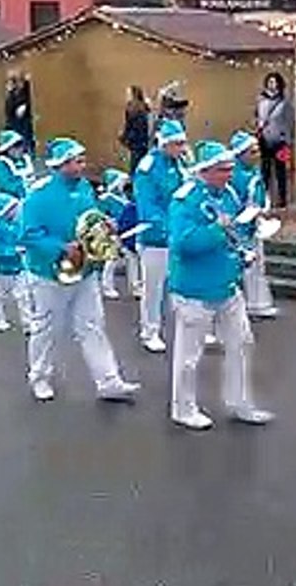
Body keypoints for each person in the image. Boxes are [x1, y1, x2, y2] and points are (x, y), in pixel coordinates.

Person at [20, 137, 140, 402]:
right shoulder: (38, 196)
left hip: (84, 269)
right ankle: (40, 376)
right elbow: (28, 235)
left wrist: (105, 225)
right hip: (50, 273)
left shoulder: (85, 188)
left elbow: (90, 219)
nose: (82, 166)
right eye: (77, 161)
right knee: (47, 328)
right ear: (60, 165)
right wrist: (60, 247)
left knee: (93, 325)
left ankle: (108, 381)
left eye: (82, 160)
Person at [166, 140, 274, 430]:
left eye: (230, 168)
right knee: (190, 355)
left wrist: (242, 253)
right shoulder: (184, 199)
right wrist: (216, 230)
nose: (230, 173)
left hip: (226, 283)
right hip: (193, 288)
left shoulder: (227, 194)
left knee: (241, 342)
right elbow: (182, 244)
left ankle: (239, 402)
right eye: (224, 169)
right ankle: (183, 407)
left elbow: (234, 231)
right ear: (206, 170)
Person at [133, 118, 188, 353]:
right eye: (177, 144)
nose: (181, 148)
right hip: (155, 238)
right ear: (164, 143)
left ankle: (190, 327)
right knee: (153, 288)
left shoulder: (179, 164)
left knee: (182, 285)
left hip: (178, 234)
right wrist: (166, 227)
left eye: (182, 143)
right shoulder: (148, 168)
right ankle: (150, 330)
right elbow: (147, 206)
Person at [229, 130, 279, 318]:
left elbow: (260, 193)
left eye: (257, 150)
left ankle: (259, 302)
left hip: (254, 225)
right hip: (240, 228)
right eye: (252, 151)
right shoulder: (235, 175)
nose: (257, 155)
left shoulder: (253, 172)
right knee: (244, 267)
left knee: (258, 266)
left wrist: (263, 209)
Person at [0, 192, 33, 334]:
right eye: (12, 209)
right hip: (3, 269)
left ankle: (28, 323)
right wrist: (13, 251)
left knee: (23, 294)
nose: (16, 211)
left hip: (19, 266)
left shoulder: (18, 224)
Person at [98, 167, 141, 300]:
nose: (123, 184)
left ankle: (135, 287)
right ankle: (107, 286)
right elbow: (99, 215)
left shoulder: (126, 199)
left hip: (126, 231)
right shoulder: (105, 198)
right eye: (121, 181)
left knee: (132, 258)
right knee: (112, 259)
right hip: (112, 232)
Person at [256, 72, 295, 209]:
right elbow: (258, 119)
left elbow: (289, 123)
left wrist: (288, 142)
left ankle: (282, 199)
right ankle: (264, 198)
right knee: (265, 171)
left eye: (274, 82)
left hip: (280, 141)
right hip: (264, 140)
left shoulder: (284, 103)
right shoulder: (261, 101)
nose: (272, 85)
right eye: (269, 82)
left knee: (280, 171)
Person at [0, 129, 34, 198]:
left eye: (20, 146)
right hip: (8, 198)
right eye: (15, 147)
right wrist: (23, 191)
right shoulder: (0, 163)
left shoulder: (26, 159)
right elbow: (6, 185)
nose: (19, 149)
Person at [120, 86, 151, 174]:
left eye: (128, 93)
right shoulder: (144, 107)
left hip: (137, 142)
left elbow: (131, 126)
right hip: (142, 141)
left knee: (135, 165)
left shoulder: (134, 109)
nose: (126, 96)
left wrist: (126, 138)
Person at [4, 71, 34, 150]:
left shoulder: (15, 96)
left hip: (21, 125)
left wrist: (27, 83)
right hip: (17, 125)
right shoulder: (11, 97)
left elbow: (27, 99)